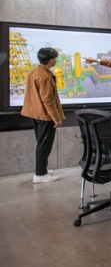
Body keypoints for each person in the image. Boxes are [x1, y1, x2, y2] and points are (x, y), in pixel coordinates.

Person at [21, 47, 65, 183]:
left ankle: (43, 170)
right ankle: (40, 175)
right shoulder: (45, 76)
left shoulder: (34, 71)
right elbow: (48, 100)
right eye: (55, 58)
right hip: (44, 115)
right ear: (50, 60)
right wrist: (56, 118)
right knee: (44, 145)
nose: (55, 60)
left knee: (41, 143)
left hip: (34, 113)